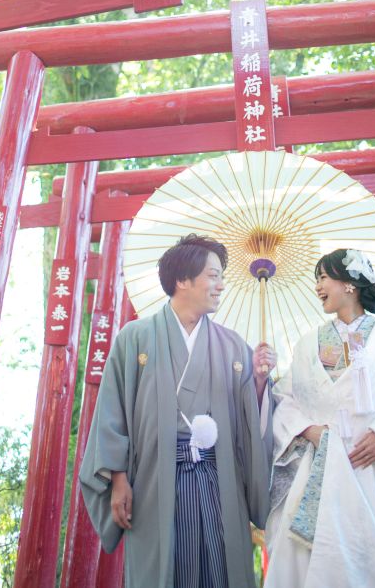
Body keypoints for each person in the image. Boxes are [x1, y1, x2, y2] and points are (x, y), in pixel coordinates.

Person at [80, 233, 276, 588]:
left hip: (220, 481)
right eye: (213, 275)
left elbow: (251, 419)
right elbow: (113, 413)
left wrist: (260, 382)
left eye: (221, 276)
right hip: (157, 479)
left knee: (220, 569)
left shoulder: (233, 345)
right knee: (166, 570)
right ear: (182, 280)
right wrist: (119, 479)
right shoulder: (135, 338)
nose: (221, 285)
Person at [264, 247, 375, 588]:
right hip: (323, 459)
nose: (317, 287)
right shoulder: (308, 344)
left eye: (322, 278)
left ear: (350, 284)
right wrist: (309, 429)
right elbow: (286, 398)